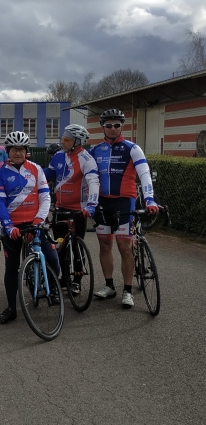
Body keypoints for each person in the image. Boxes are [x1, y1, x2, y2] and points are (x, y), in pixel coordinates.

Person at [89, 109, 158, 309]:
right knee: (104, 245)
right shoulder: (95, 150)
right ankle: (109, 285)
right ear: (102, 126)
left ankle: (127, 290)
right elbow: (86, 178)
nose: (112, 128)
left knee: (124, 247)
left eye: (116, 125)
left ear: (122, 126)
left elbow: (144, 174)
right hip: (103, 203)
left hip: (124, 202)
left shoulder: (132, 148)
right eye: (108, 125)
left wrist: (150, 200)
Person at [0, 131, 58, 324]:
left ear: (26, 151)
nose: (18, 153)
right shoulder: (1, 173)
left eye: (21, 149)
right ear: (8, 151)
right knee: (12, 268)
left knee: (53, 259)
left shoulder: (36, 169)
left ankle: (52, 289)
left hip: (35, 223)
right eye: (14, 149)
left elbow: (45, 196)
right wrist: (8, 226)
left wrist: (40, 219)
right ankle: (12, 307)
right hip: (12, 226)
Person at [44, 124, 99, 290]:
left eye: (67, 139)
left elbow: (93, 183)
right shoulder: (59, 156)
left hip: (78, 210)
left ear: (77, 141)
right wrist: (33, 173)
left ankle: (77, 281)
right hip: (60, 208)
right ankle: (64, 277)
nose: (63, 142)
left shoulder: (87, 159)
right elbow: (49, 174)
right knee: (59, 246)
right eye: (62, 138)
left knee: (76, 246)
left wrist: (91, 205)